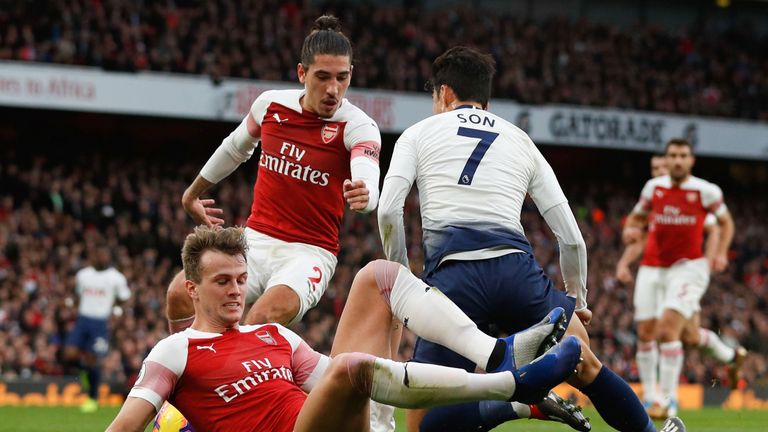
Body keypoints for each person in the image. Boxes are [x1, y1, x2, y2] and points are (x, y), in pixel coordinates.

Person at [378, 46, 672, 432]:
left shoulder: (418, 134)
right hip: (516, 274)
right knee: (584, 360)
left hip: (454, 281)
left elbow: (387, 210)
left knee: (421, 417)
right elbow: (571, 238)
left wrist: (404, 281)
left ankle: (513, 406)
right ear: (486, 97)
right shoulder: (519, 139)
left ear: (444, 93)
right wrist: (577, 300)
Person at [106, 225, 586, 432]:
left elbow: (356, 383)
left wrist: (390, 339)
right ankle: (512, 388)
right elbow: (126, 424)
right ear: (192, 289)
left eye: (240, 279)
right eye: (221, 282)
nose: (236, 291)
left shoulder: (274, 337)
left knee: (377, 277)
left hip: (332, 424)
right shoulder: (175, 350)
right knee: (352, 368)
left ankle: (498, 361)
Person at [167, 14, 381, 330]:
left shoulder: (357, 124)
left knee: (259, 319)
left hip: (309, 253)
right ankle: (189, 372)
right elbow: (235, 148)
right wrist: (192, 192)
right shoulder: (271, 105)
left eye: (342, 77)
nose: (333, 89)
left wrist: (367, 194)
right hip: (254, 242)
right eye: (322, 77)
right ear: (301, 73)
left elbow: (367, 173)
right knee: (179, 294)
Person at [616, 154, 746, 413]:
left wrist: (710, 261)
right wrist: (623, 262)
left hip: (684, 274)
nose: (658, 172)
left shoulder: (687, 196)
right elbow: (639, 237)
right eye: (654, 168)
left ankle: (668, 399)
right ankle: (654, 397)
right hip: (653, 272)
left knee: (676, 334)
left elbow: (715, 228)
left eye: (662, 167)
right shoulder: (653, 200)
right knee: (667, 335)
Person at [63, 245, 131, 413]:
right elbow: (78, 295)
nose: (100, 258)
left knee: (94, 359)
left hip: (100, 322)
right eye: (97, 254)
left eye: (104, 255)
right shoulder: (83, 275)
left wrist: (117, 312)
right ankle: (86, 373)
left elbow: (124, 298)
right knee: (69, 353)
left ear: (108, 257)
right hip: (83, 319)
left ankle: (92, 398)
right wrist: (73, 306)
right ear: (92, 256)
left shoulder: (116, 278)